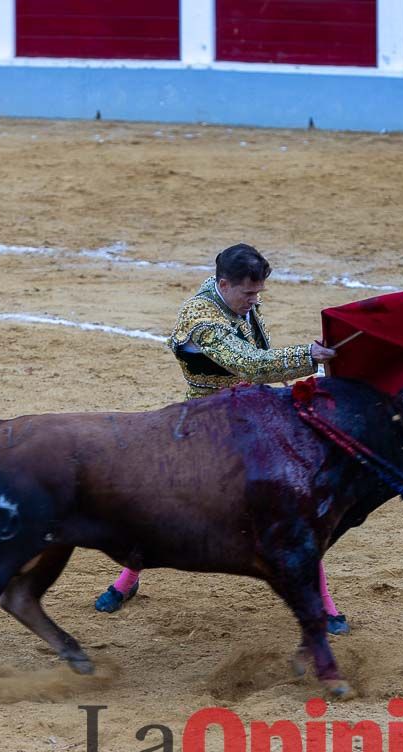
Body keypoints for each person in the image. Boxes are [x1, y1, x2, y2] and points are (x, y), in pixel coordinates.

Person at [93, 243, 351, 635]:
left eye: (258, 293)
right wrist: (309, 356)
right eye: (248, 293)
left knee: (295, 505)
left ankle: (325, 605)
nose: (253, 300)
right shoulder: (201, 319)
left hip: (250, 413)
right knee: (163, 508)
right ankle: (126, 580)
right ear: (224, 283)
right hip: (207, 424)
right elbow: (248, 362)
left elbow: (257, 347)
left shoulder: (233, 296)